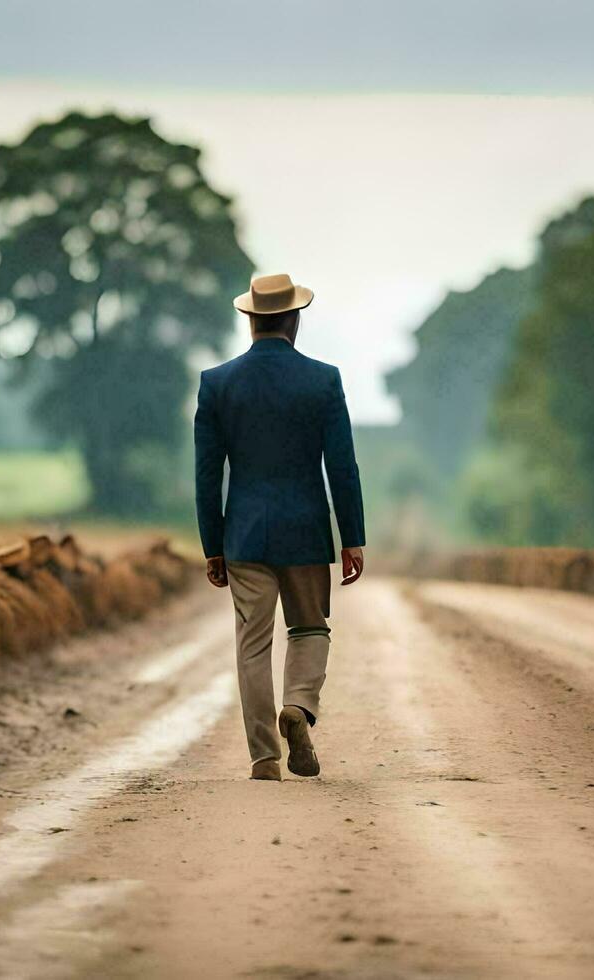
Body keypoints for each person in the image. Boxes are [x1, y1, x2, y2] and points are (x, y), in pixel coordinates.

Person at [194, 272, 366, 781]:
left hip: (244, 535)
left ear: (250, 321)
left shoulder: (216, 383)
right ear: (294, 320)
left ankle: (264, 757)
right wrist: (352, 536)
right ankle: (297, 705)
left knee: (252, 644)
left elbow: (207, 475)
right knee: (310, 628)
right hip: (307, 532)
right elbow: (343, 466)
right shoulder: (324, 379)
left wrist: (213, 545)